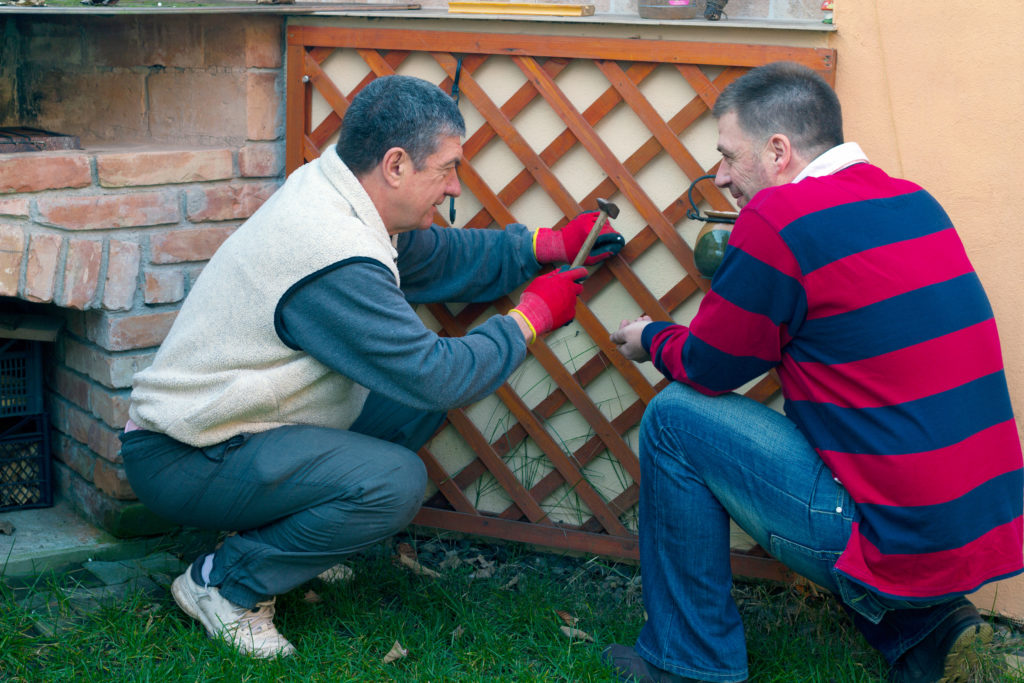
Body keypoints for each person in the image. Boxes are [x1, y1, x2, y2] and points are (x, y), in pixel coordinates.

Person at [119, 74, 623, 659]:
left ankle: (280, 545)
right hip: (188, 452)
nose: (455, 185)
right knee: (395, 479)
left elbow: (430, 258)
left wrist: (542, 247)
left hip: (241, 422)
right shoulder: (329, 248)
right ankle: (225, 584)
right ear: (396, 165)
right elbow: (439, 375)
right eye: (448, 168)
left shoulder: (340, 192)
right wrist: (529, 318)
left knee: (407, 401)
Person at [606, 61, 1023, 683]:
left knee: (674, 418)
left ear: (779, 151)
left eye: (728, 156)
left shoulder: (781, 220)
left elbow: (711, 368)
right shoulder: (913, 199)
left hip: (890, 533)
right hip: (974, 523)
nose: (720, 177)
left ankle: (688, 663)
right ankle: (940, 632)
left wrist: (650, 337)